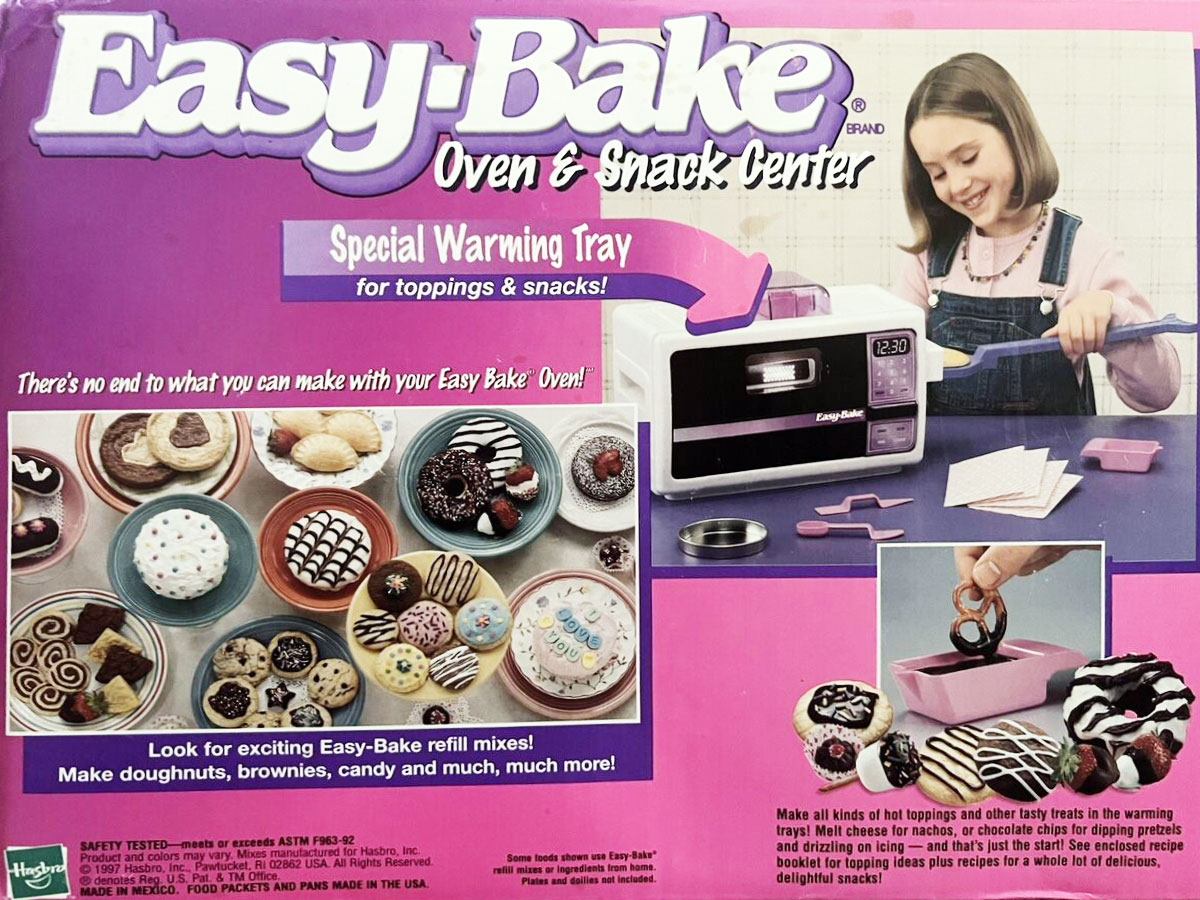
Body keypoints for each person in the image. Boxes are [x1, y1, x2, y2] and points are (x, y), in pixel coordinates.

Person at [893, 53, 1180, 414]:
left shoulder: (1082, 252)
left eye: (968, 158)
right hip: (947, 469)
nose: (959, 183)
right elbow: (890, 359)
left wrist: (1111, 314)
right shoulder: (928, 259)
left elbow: (1159, 393)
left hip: (1053, 467)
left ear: (1014, 136)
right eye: (937, 173)